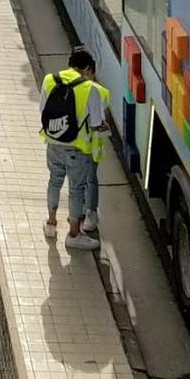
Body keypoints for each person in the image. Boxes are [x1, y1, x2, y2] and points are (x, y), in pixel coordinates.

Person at [42, 47, 108, 251]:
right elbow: (97, 123)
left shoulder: (49, 79)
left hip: (53, 144)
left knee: (54, 182)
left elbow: (42, 111)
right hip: (77, 150)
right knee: (76, 190)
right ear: (87, 69)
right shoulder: (91, 89)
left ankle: (51, 224)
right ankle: (73, 234)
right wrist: (104, 127)